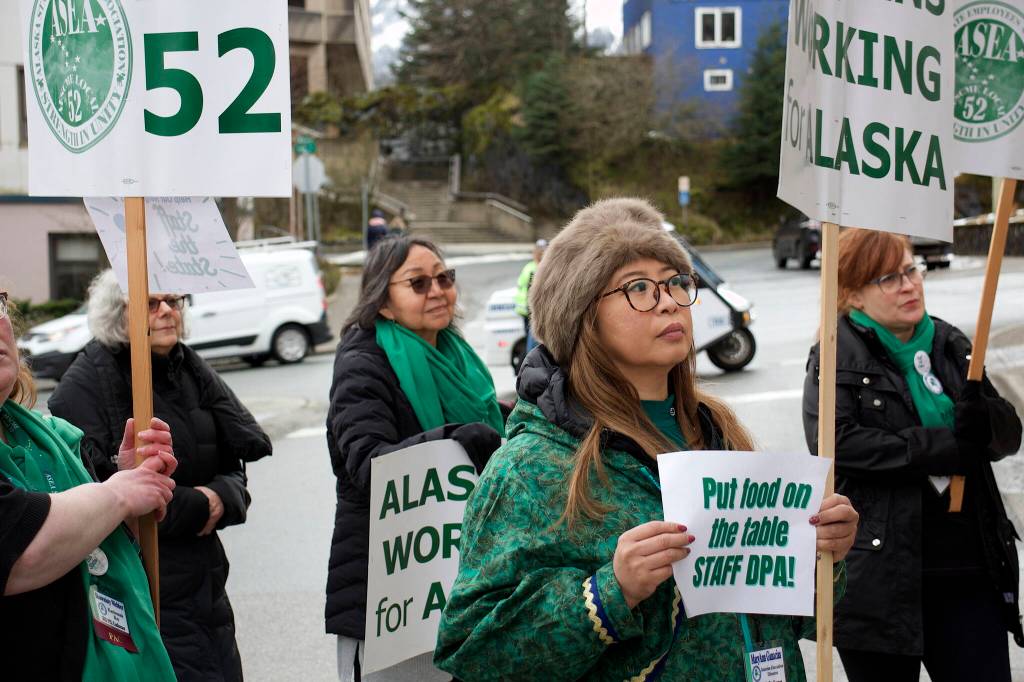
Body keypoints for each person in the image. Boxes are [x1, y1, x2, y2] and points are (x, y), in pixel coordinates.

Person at [435, 198, 858, 680]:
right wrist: (609, 594)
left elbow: (790, 618)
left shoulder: (718, 431)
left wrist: (821, 553)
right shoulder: (532, 465)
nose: (670, 300)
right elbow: (474, 651)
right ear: (581, 317)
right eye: (638, 287)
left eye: (676, 281)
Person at [802, 228, 1023, 681]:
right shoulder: (834, 354)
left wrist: (989, 423)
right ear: (852, 295)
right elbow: (836, 446)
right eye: (888, 278)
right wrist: (944, 447)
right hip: (879, 580)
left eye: (910, 269)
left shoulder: (950, 342)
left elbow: (1007, 438)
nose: (909, 284)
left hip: (967, 569)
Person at [49, 270, 272, 682]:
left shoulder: (187, 369)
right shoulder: (84, 386)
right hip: (145, 585)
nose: (168, 311)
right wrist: (197, 506)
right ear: (119, 315)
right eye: (151, 303)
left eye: (174, 300)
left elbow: (236, 459)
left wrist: (223, 497)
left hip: (206, 583)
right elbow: (99, 495)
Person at [326, 236, 505, 681]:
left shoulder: (454, 353)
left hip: (461, 580)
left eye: (444, 278)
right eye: (419, 283)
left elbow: (485, 427)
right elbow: (369, 465)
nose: (438, 290)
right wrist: (450, 440)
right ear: (383, 302)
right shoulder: (362, 361)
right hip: (393, 588)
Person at [0, 289, 178, 681]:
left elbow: (94, 551)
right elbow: (18, 554)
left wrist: (130, 498)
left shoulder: (55, 438)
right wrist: (116, 495)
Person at [514, 238, 547, 353]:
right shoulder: (536, 269)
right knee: (533, 340)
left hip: (525, 309)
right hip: (530, 310)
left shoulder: (529, 267)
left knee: (531, 338)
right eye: (540, 251)